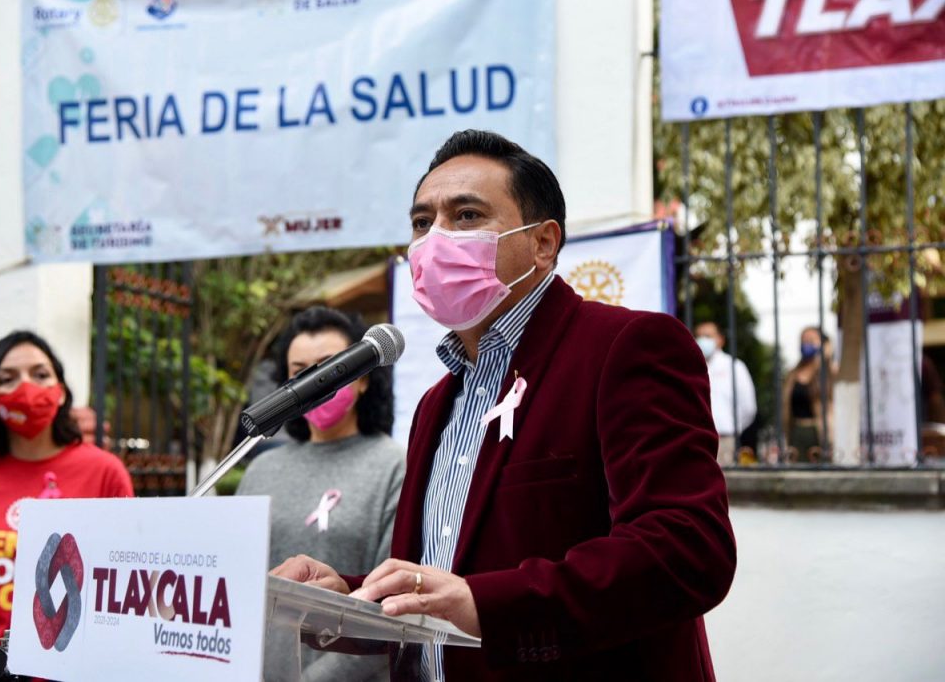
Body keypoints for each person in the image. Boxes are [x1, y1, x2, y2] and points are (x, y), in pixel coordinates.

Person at [273, 130, 736, 680]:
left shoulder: (624, 348)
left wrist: (486, 605)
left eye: (466, 216)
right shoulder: (437, 403)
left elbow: (687, 549)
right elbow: (445, 580)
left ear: (543, 243)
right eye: (422, 223)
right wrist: (345, 599)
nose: (435, 239)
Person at [0, 331, 133, 682]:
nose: (27, 387)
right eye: (8, 379)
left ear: (61, 390)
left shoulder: (104, 474)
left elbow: (122, 596)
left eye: (41, 374)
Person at [237, 307, 405, 682]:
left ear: (364, 379)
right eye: (300, 371)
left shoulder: (395, 466)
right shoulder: (261, 469)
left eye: (330, 367)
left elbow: (388, 607)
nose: (314, 382)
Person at [694, 321, 757, 466]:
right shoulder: (689, 365)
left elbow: (748, 407)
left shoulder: (734, 366)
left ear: (720, 340)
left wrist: (733, 429)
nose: (702, 340)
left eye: (708, 336)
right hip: (697, 439)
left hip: (726, 439)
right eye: (699, 336)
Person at [781, 326, 836, 462]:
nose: (806, 344)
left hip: (819, 432)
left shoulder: (826, 371)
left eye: (811, 340)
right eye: (803, 340)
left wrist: (825, 354)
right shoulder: (793, 374)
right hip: (796, 432)